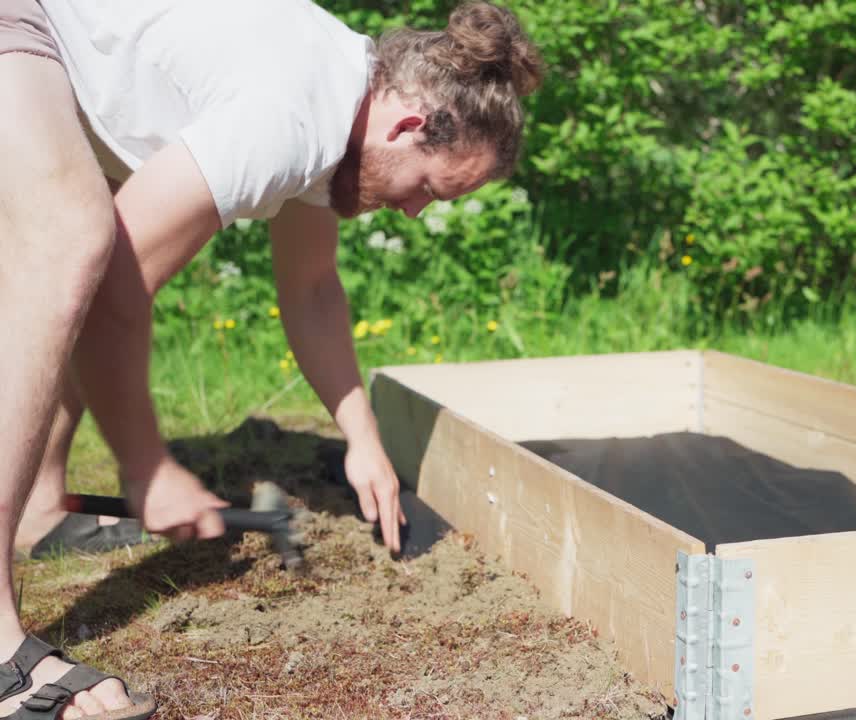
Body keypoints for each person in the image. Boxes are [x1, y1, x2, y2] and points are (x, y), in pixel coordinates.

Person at [0, 0, 543, 715]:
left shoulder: (344, 103)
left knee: (82, 249)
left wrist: (363, 439)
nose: (415, 212)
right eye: (428, 189)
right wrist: (146, 467)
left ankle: (39, 507)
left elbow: (312, 289)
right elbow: (115, 295)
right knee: (70, 243)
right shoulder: (290, 118)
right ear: (407, 125)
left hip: (70, 44)